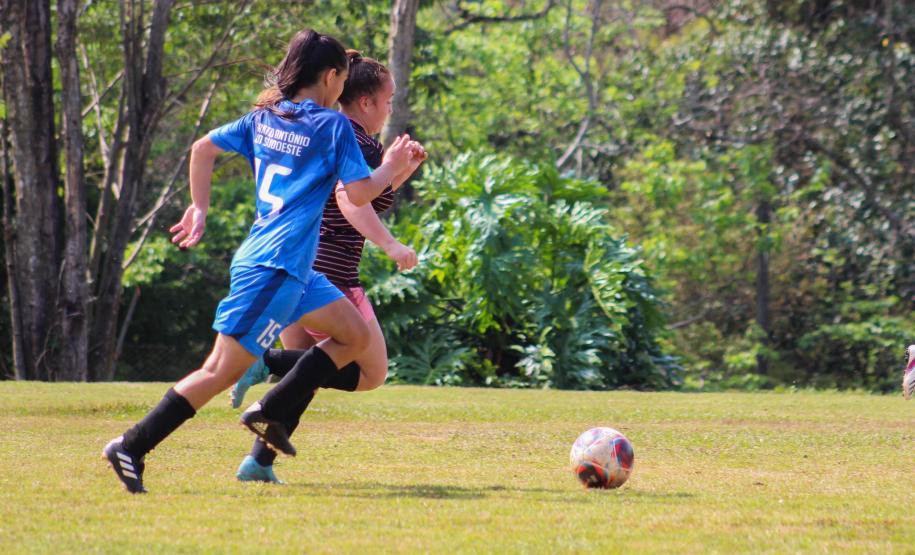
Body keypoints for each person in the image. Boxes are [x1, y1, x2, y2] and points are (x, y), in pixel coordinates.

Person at [102, 29, 424, 494]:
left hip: (296, 271)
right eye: (342, 79)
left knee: (353, 336)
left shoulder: (264, 117)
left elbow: (202, 149)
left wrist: (200, 207)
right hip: (273, 270)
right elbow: (358, 194)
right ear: (330, 77)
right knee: (219, 371)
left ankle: (269, 410)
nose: (342, 89)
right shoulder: (331, 126)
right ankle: (131, 445)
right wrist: (392, 167)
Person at [232, 50, 425, 484]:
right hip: (331, 274)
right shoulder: (358, 140)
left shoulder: (323, 131)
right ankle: (265, 360)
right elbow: (348, 200)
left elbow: (366, 194)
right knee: (369, 372)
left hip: (295, 265)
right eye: (389, 101)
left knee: (310, 374)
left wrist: (400, 170)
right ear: (365, 103)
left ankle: (258, 462)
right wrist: (391, 244)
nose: (390, 109)